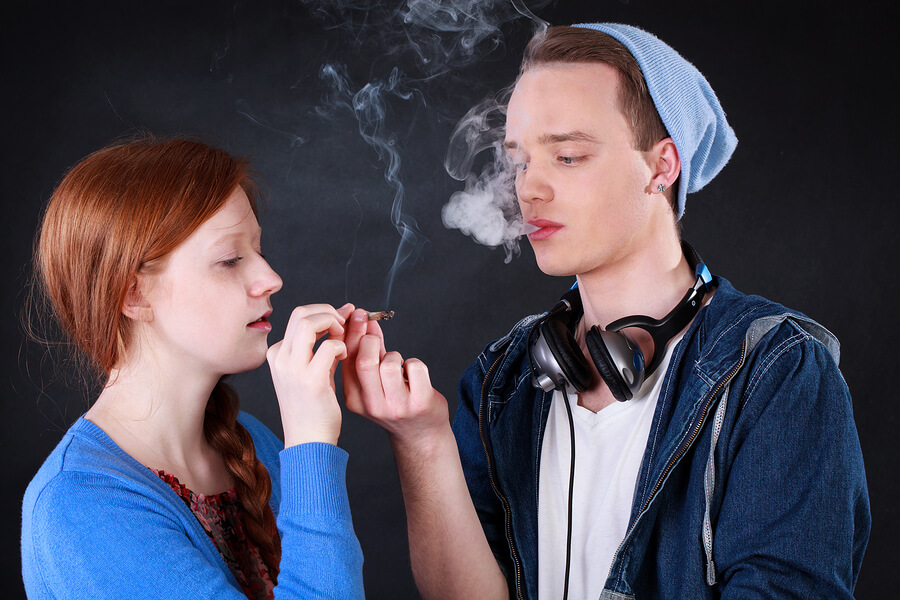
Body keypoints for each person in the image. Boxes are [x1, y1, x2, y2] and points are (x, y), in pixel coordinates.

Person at [341, 23, 870, 599]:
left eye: (567, 156)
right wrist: (423, 441)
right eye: (519, 161)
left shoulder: (779, 372)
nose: (529, 189)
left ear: (661, 167)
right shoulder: (501, 381)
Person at [21, 136, 365, 599]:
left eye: (258, 250)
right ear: (134, 296)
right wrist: (310, 446)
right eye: (230, 260)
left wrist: (417, 435)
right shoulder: (80, 506)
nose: (271, 278)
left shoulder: (251, 442)